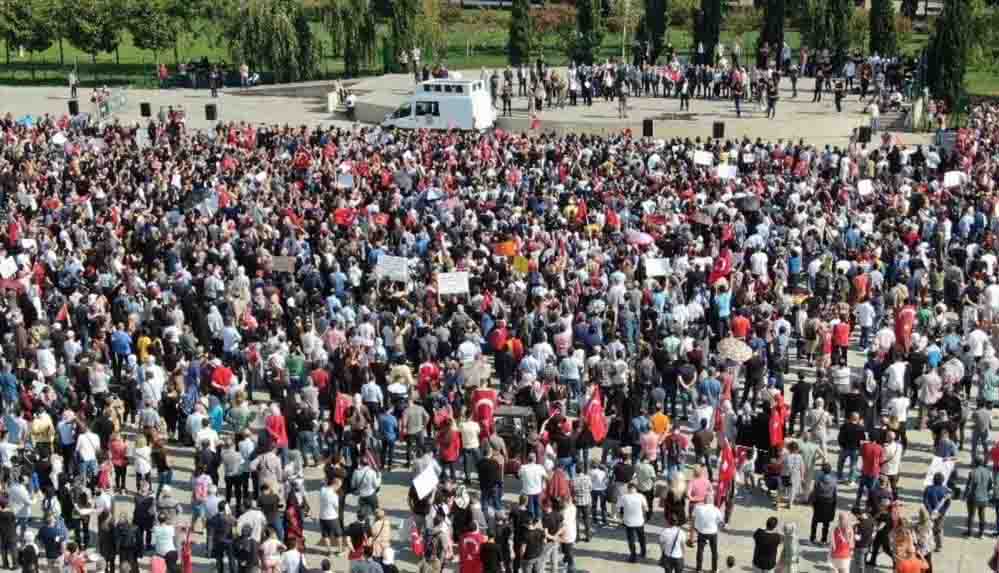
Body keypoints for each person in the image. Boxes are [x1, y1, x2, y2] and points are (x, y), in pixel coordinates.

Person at [692, 493, 723, 573]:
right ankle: (715, 569)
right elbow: (720, 522)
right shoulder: (716, 509)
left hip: (702, 532)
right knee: (714, 551)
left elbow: (693, 519)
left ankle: (699, 569)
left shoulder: (698, 508)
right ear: (712, 501)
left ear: (704, 500)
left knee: (700, 551)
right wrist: (718, 527)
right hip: (713, 532)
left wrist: (693, 531)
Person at [617, 482, 648, 563]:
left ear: (628, 489)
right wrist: (644, 516)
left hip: (628, 522)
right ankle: (643, 552)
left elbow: (618, 508)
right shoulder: (641, 496)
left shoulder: (623, 497)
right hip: (639, 521)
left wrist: (621, 518)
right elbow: (646, 508)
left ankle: (633, 556)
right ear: (636, 488)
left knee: (631, 540)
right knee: (641, 537)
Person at [965, 457, 993, 538]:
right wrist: (985, 492)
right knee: (982, 515)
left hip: (974, 497)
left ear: (975, 463)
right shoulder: (987, 471)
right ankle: (981, 533)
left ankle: (969, 533)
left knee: (971, 515)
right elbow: (990, 484)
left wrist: (967, 495)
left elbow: (970, 485)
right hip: (984, 498)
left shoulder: (972, 472)